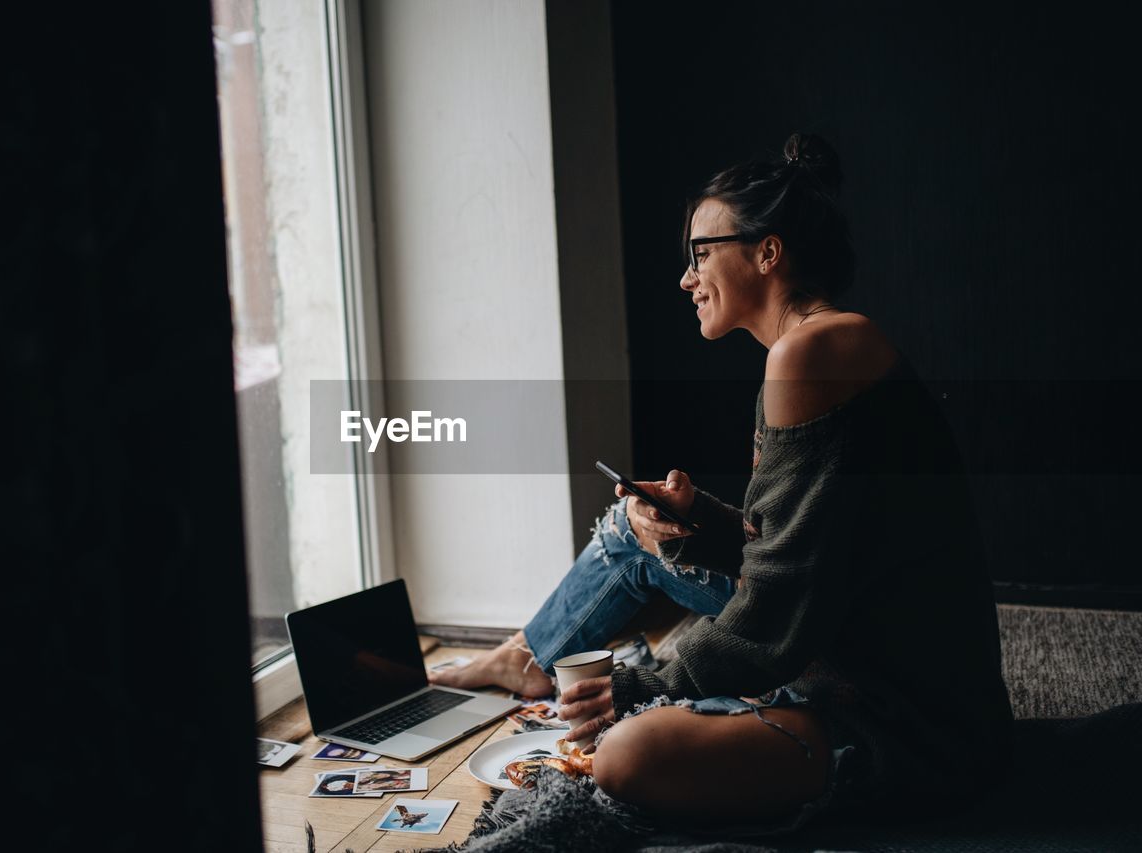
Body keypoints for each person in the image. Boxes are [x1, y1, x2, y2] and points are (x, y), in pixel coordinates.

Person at [431, 132, 1014, 834]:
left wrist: (636, 688)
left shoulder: (811, 354)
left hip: (902, 718)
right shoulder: (807, 347)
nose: (686, 277)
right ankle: (524, 658)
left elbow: (775, 612)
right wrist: (697, 519)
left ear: (768, 252)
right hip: (842, 637)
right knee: (636, 527)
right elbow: (814, 546)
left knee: (626, 755)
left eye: (701, 253)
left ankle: (558, 675)